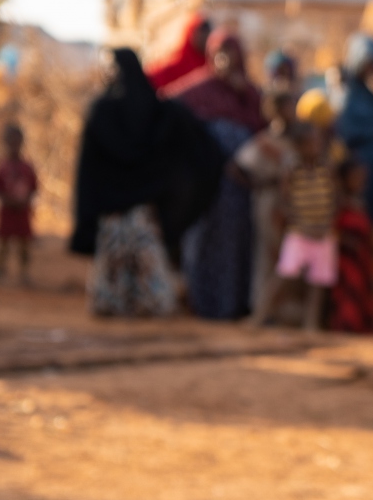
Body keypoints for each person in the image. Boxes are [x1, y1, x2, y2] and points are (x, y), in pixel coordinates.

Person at [71, 48, 222, 317]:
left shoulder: (102, 112)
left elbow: (87, 170)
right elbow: (203, 149)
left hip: (113, 213)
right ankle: (146, 304)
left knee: (112, 280)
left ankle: (115, 304)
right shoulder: (161, 113)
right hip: (146, 214)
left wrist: (87, 212)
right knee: (151, 279)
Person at [169, 28, 264, 320]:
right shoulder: (195, 91)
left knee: (240, 244)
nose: (225, 59)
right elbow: (170, 116)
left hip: (241, 188)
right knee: (203, 241)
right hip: (205, 186)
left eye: (230, 52)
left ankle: (234, 305)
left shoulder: (250, 94)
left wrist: (242, 93)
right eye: (219, 53)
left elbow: (267, 129)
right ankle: (202, 304)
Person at [246, 124, 336, 332]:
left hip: (323, 231)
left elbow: (334, 197)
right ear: (299, 148)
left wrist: (327, 223)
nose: (316, 147)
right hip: (300, 230)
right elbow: (285, 202)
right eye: (311, 143)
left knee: (318, 281)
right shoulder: (291, 170)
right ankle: (259, 315)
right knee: (285, 273)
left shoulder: (326, 168)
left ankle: (310, 324)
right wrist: (300, 224)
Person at [234, 88, 299, 320]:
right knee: (267, 252)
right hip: (269, 201)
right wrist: (264, 181)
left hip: (293, 203)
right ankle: (262, 307)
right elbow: (237, 168)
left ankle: (282, 309)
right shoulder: (264, 141)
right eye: (289, 105)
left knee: (286, 253)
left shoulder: (297, 140)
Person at [336, 34, 373, 220]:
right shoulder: (347, 93)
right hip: (357, 162)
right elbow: (344, 131)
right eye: (366, 63)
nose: (370, 69)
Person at [330, 160, 373, 333]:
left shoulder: (361, 202)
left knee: (364, 293)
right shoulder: (339, 202)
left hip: (363, 257)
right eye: (355, 177)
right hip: (346, 259)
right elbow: (332, 230)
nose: (360, 181)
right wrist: (346, 241)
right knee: (348, 296)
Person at [0, 123, 38, 285]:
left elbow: (34, 188)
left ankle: (24, 273)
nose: (14, 144)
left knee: (24, 244)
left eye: (17, 140)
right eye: (10, 140)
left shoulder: (27, 167)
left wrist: (25, 201)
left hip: (23, 211)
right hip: (7, 211)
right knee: (3, 243)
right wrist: (7, 200)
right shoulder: (1, 167)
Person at [147, 14, 211, 91]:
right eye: (201, 34)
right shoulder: (175, 64)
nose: (205, 38)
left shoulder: (211, 66)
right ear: (191, 34)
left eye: (207, 34)